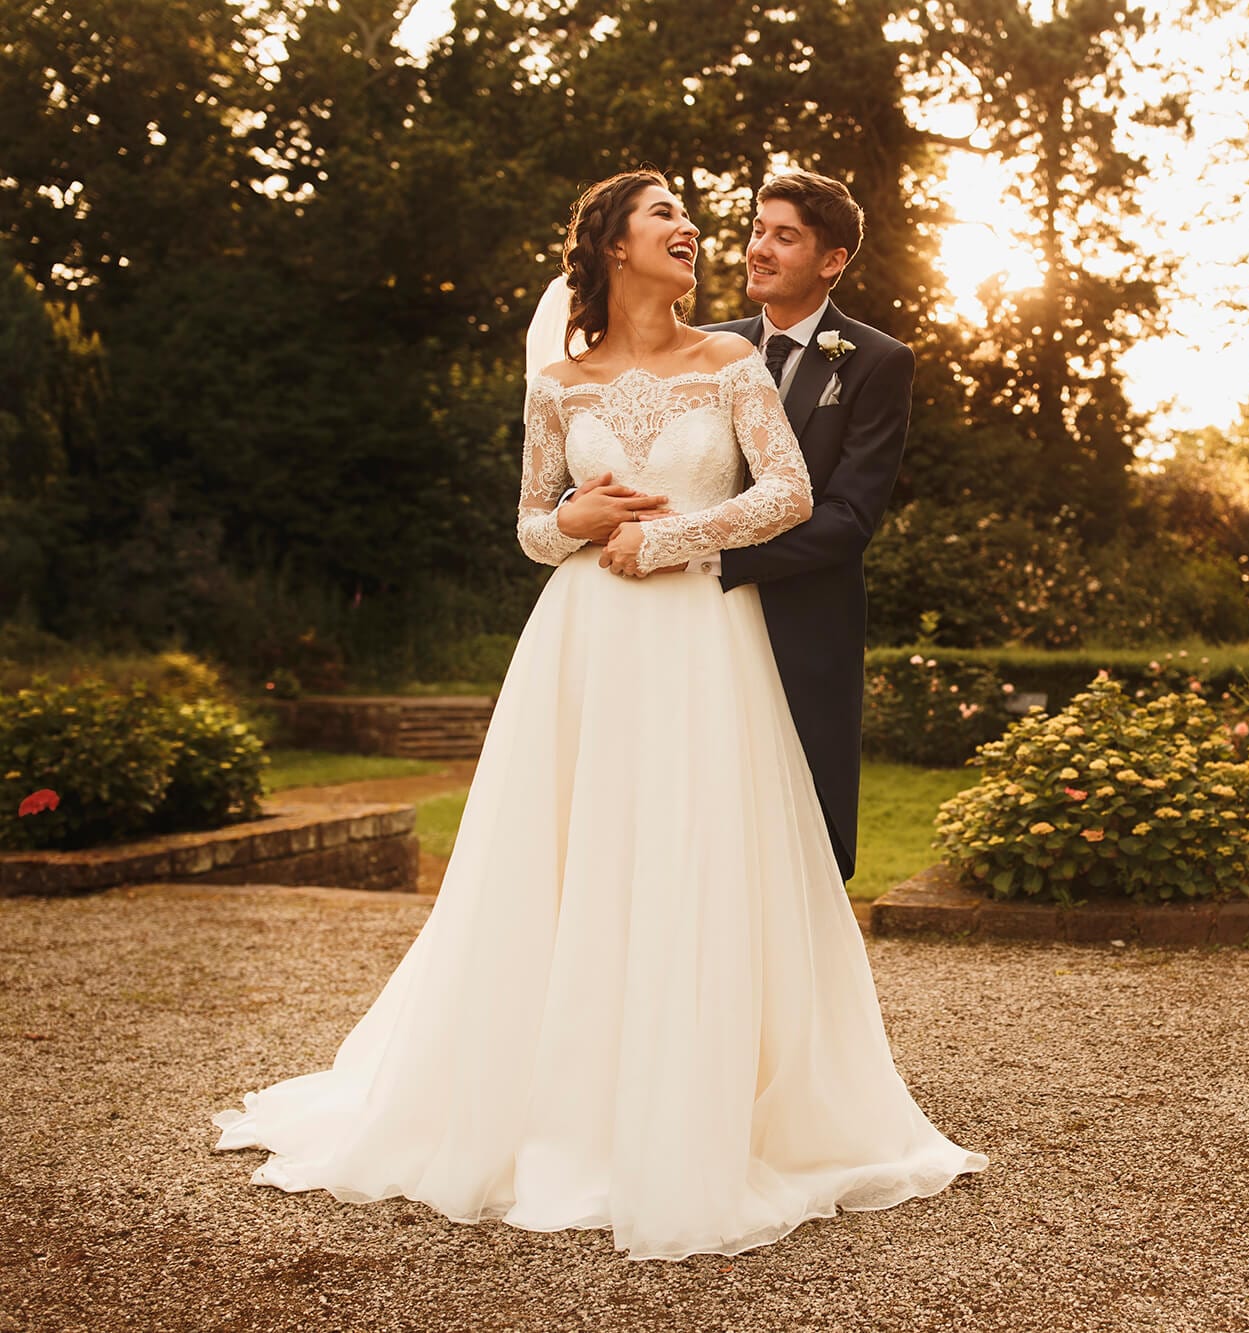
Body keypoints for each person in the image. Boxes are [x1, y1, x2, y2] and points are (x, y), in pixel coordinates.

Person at [211, 168, 985, 1262]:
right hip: (579, 642)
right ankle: (549, 1095)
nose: (700, 234)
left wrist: (670, 539)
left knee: (686, 849)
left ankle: (696, 1096)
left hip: (700, 638)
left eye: (721, 225)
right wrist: (571, 515)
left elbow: (798, 496)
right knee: (562, 852)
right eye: (669, 214)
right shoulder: (558, 384)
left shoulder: (728, 363)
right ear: (613, 244)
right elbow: (533, 525)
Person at [558, 170, 907, 883]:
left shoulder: (876, 361)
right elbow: (620, 454)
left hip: (798, 624)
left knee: (801, 839)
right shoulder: (704, 347)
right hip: (673, 629)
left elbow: (847, 518)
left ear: (832, 260)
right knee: (677, 825)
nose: (759, 249)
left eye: (785, 237)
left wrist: (708, 558)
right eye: (757, 230)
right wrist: (577, 510)